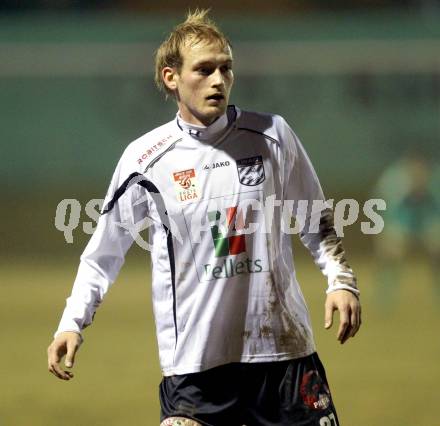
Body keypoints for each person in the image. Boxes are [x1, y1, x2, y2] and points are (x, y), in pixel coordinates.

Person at [47, 9, 361, 426]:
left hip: (284, 357)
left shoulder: (272, 135)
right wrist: (72, 322)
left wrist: (340, 282)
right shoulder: (145, 160)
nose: (218, 80)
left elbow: (316, 219)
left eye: (226, 68)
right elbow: (103, 253)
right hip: (196, 368)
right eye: (204, 69)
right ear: (170, 77)